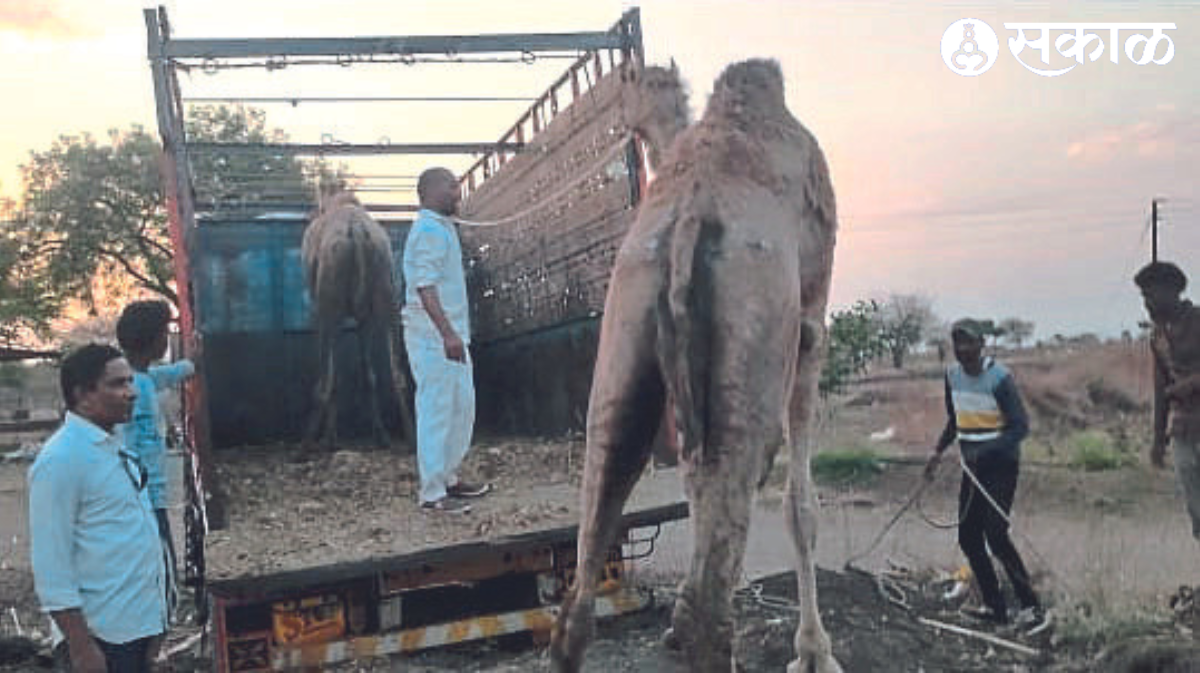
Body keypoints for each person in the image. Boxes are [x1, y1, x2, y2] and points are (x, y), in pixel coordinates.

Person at [29, 344, 170, 672]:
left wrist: (156, 633)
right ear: (83, 394)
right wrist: (81, 647)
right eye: (118, 384)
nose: (131, 393)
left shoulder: (116, 450)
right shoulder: (61, 459)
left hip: (137, 633)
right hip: (100, 639)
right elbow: (51, 567)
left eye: (131, 382)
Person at [924, 319, 1048, 634]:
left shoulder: (999, 378)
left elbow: (1020, 427)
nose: (964, 350)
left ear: (982, 345)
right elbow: (955, 420)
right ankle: (995, 606)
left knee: (995, 533)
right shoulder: (952, 376)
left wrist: (988, 450)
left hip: (1000, 466)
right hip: (971, 467)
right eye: (958, 344)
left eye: (969, 343)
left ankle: (1031, 606)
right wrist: (937, 453)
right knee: (968, 537)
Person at [401, 167, 492, 514]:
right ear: (432, 190)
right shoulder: (427, 230)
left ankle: (448, 477)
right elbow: (425, 287)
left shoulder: (442, 228)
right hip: (433, 337)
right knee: (437, 409)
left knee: (461, 407)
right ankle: (431, 493)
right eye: (452, 186)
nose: (458, 192)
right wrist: (447, 334)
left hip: (448, 336)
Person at [116, 299, 195, 576]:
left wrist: (189, 365)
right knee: (160, 570)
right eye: (163, 332)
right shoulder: (132, 389)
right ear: (150, 339)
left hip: (148, 495)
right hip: (142, 496)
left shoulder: (138, 377)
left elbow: (163, 376)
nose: (166, 338)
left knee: (163, 566)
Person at [1135, 261, 1200, 540]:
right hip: (1183, 431)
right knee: (1196, 510)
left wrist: (1191, 384)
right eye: (1143, 297)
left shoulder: (1198, 320)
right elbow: (1161, 388)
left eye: (1150, 295)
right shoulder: (1157, 335)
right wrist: (1158, 439)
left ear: (1172, 291)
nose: (1147, 303)